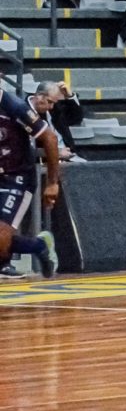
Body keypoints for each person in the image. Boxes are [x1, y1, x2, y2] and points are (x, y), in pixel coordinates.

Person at [0, 90, 60, 278]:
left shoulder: (15, 106)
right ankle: (36, 246)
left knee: (1, 237)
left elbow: (50, 138)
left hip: (16, 177)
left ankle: (40, 246)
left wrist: (52, 183)